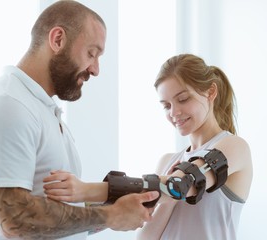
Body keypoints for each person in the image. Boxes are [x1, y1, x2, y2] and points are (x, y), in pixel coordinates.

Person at [41, 53, 253, 240]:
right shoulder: (167, 161)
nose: (174, 113)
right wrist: (168, 202)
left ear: (211, 92)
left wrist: (87, 190)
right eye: (166, 106)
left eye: (183, 99)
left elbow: (181, 185)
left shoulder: (234, 147)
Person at [0, 1, 159, 239]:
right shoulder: (11, 104)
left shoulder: (44, 110)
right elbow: (15, 218)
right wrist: (111, 215)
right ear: (58, 39)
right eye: (91, 53)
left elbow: (56, 215)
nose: (95, 70)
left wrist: (121, 211)